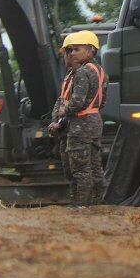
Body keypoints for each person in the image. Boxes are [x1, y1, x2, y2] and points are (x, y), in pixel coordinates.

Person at [48, 31, 107, 207]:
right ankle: (96, 204)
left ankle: (81, 205)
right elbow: (101, 101)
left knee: (80, 169)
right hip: (93, 121)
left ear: (90, 50)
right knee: (94, 167)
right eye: (69, 51)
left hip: (80, 124)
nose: (71, 54)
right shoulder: (99, 72)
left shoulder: (82, 72)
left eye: (75, 50)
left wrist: (61, 116)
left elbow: (75, 102)